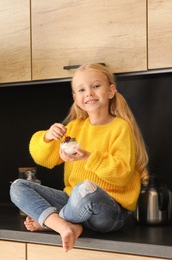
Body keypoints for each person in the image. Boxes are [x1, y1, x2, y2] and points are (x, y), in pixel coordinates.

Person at [10, 63, 149, 252]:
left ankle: (52, 223)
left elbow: (122, 174)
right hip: (73, 203)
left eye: (96, 86)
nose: (89, 93)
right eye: (82, 89)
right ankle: (67, 225)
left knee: (85, 188)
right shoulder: (75, 127)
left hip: (109, 212)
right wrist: (48, 137)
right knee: (18, 186)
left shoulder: (120, 127)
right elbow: (44, 159)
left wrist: (87, 157)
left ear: (110, 91)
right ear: (76, 98)